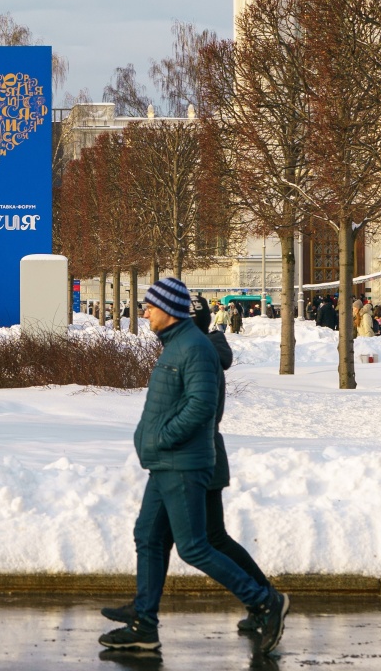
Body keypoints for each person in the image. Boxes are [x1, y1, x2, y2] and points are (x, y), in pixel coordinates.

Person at [99, 277, 286, 656]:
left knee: (195, 546)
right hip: (165, 462)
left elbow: (201, 405)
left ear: (168, 309)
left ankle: (264, 601)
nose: (144, 312)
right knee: (148, 536)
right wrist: (148, 438)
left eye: (149, 306)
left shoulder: (194, 347)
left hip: (182, 462)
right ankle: (144, 622)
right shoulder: (176, 345)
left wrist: (162, 437)